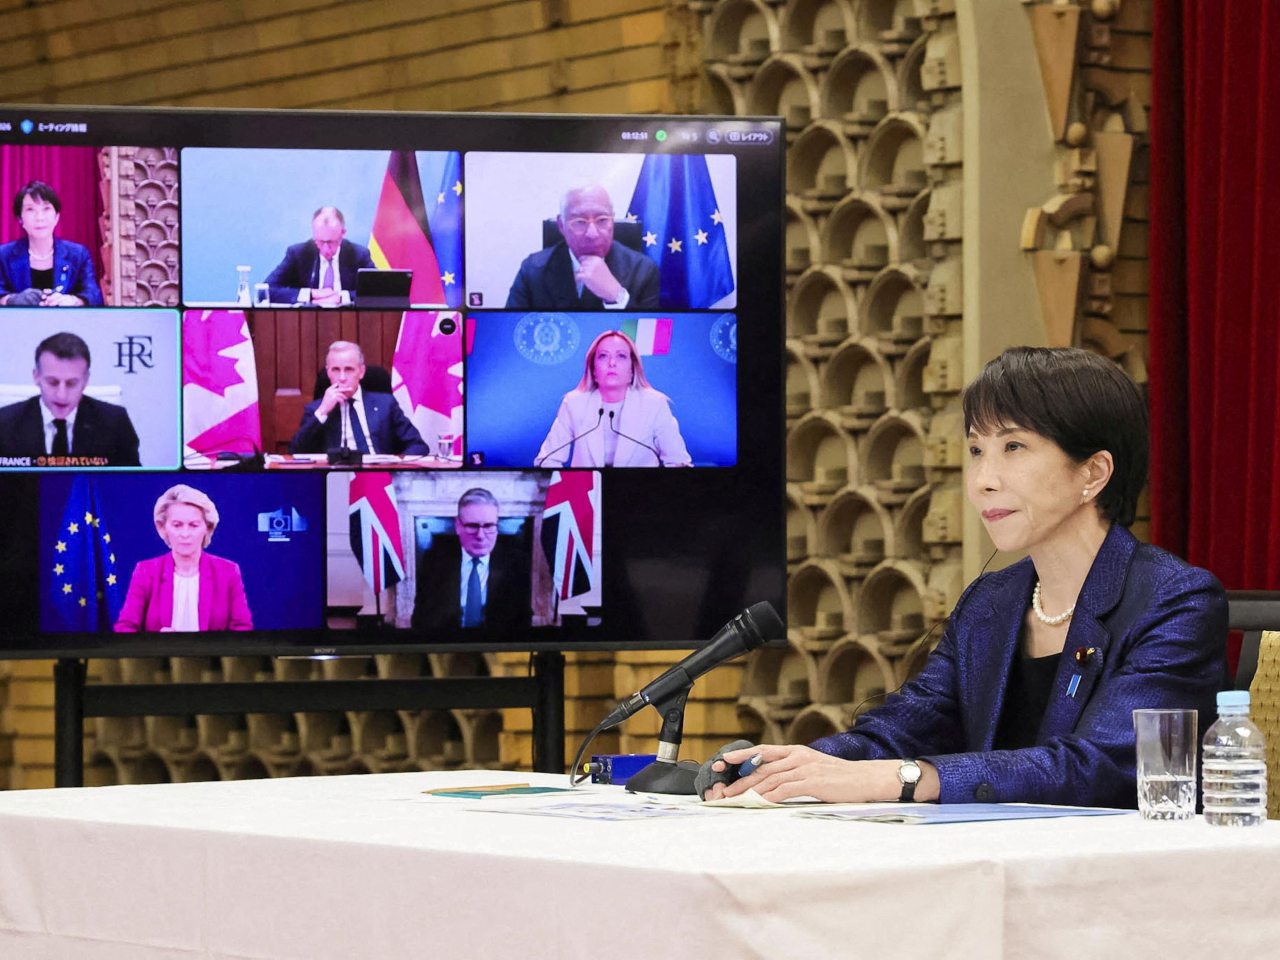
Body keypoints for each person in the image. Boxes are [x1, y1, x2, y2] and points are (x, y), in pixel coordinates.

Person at [702, 347, 1229, 808]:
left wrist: (909, 778)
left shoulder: (1174, 601)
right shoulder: (992, 602)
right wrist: (798, 764)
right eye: (976, 451)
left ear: (1093, 473)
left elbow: (1101, 767)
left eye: (1013, 448)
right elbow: (905, 728)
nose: (982, 481)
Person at [536, 330, 691, 468]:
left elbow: (678, 461)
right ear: (593, 369)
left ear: (632, 369)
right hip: (588, 493)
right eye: (603, 356)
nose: (612, 363)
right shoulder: (574, 403)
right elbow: (546, 460)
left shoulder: (654, 404)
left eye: (621, 356)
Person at [114, 484, 253, 632]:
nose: (185, 534)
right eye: (177, 525)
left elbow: (242, 629)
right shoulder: (146, 571)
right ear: (162, 527)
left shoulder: (227, 571)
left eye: (193, 525)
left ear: (207, 528)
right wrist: (155, 644)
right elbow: (125, 627)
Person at [506, 184, 660, 310]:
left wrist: (617, 297)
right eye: (580, 222)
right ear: (561, 225)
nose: (592, 234)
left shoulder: (643, 270)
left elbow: (649, 338)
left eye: (602, 220)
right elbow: (510, 329)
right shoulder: (533, 269)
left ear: (612, 221)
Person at [0, 332, 140, 465]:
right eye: (53, 382)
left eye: (71, 383)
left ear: (86, 381)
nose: (62, 395)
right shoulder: (4, 424)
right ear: (36, 377)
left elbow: (131, 484)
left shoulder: (115, 423)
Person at [411, 487, 532, 634]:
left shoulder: (516, 564)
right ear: (458, 526)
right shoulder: (435, 562)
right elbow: (421, 619)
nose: (481, 535)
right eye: (472, 526)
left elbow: (522, 622)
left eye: (488, 526)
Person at [289, 341, 428, 455]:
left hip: (380, 478)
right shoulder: (315, 409)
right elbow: (295, 451)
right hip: (336, 479)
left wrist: (396, 466)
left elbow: (418, 445)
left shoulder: (386, 404)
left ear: (361, 372)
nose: (342, 378)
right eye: (336, 370)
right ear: (328, 373)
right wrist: (323, 411)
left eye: (349, 370)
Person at [0, 181, 103, 307]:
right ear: (20, 219)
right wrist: (12, 300)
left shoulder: (78, 255)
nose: (40, 217)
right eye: (30, 209)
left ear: (57, 217)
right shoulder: (3, 255)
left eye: (46, 208)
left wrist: (73, 301)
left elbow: (94, 295)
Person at [264, 206, 374, 306]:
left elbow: (378, 292)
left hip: (348, 320)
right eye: (320, 242)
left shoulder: (358, 254)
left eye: (331, 242)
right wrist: (310, 294)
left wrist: (341, 297)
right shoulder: (298, 253)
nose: (325, 249)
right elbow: (266, 290)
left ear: (343, 233)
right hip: (306, 321)